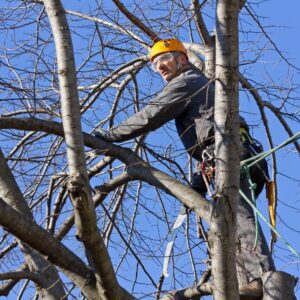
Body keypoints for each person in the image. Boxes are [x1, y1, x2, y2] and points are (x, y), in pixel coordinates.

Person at [95, 38, 275, 296]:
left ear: (183, 59)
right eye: (155, 64)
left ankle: (261, 278)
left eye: (164, 60)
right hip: (224, 156)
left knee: (239, 215)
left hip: (230, 153)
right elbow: (208, 132)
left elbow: (150, 115)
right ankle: (243, 283)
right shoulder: (201, 84)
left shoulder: (187, 81)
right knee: (229, 221)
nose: (159, 68)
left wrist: (109, 136)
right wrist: (198, 184)